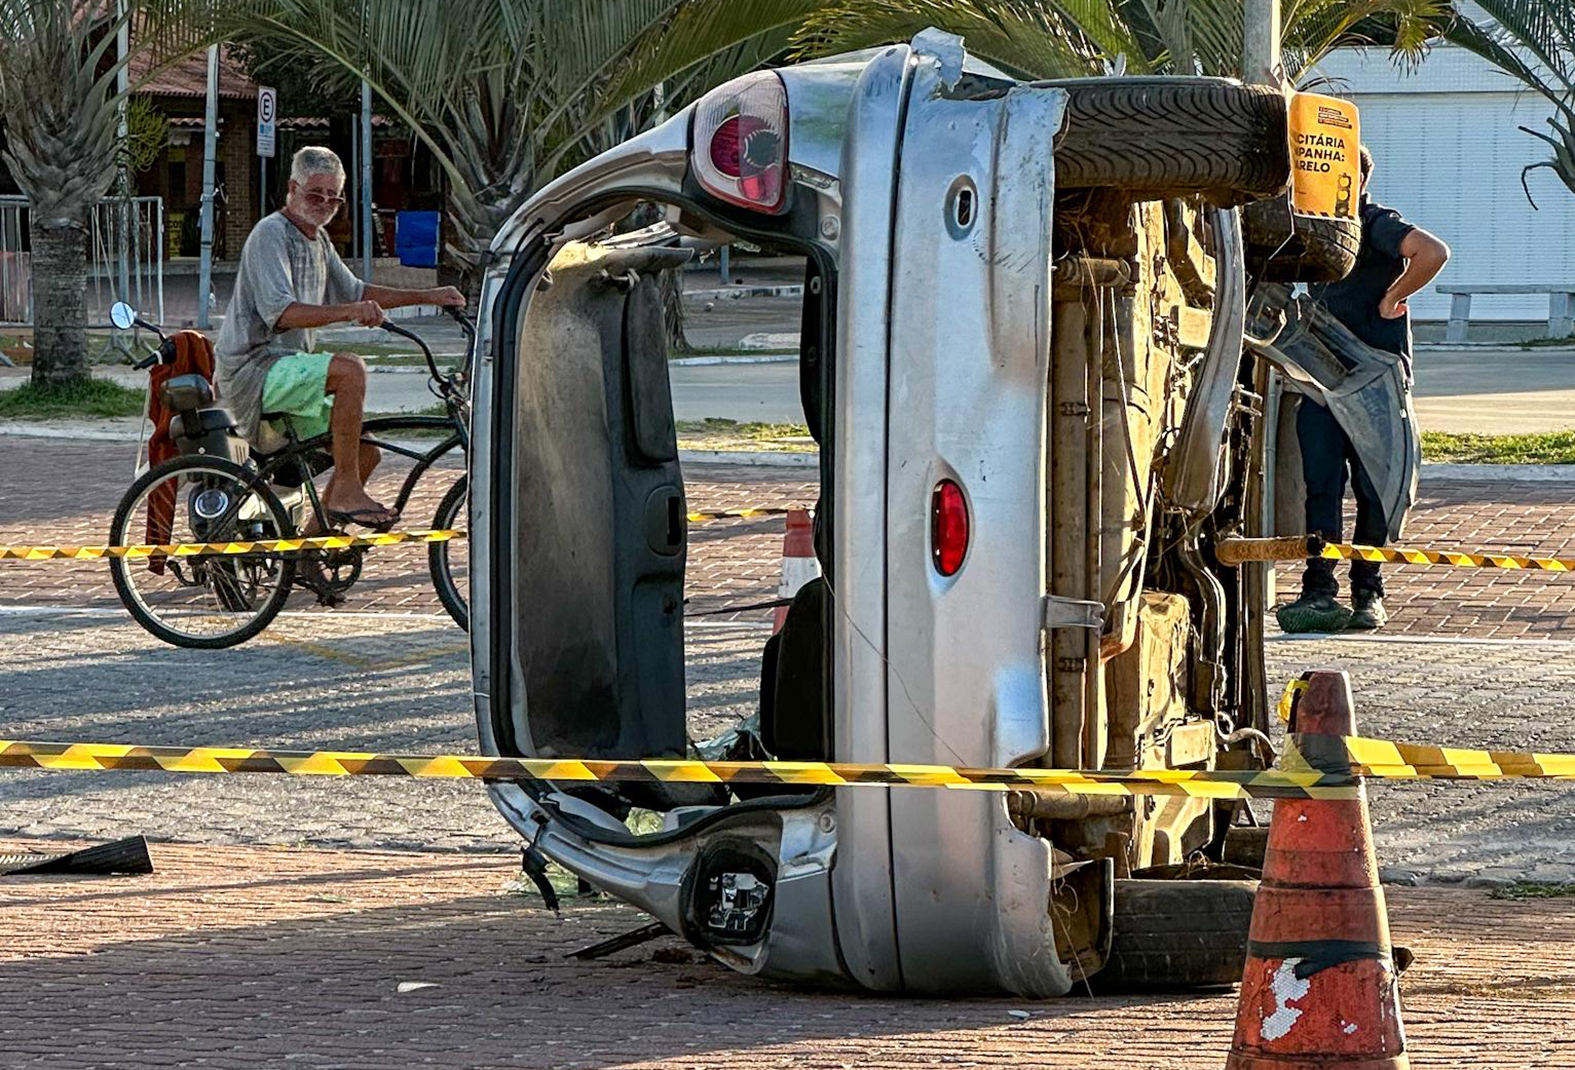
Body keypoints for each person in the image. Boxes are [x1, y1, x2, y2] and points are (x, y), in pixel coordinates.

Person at [216, 146, 465, 529]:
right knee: (349, 370)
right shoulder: (271, 234)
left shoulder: (318, 240)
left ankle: (310, 550)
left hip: (285, 372)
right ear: (292, 187)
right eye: (316, 194)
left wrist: (431, 296)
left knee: (366, 453)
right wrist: (351, 312)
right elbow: (282, 314)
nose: (325, 204)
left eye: (335, 197)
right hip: (253, 371)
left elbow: (356, 292)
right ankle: (346, 491)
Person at [1280, 144, 1449, 632]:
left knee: (1376, 487)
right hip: (1321, 381)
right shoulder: (1312, 231)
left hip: (1375, 379)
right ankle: (1317, 590)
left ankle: (1368, 591)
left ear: (1353, 179)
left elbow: (1432, 251)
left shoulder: (1374, 222)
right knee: (1321, 486)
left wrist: (1394, 297)